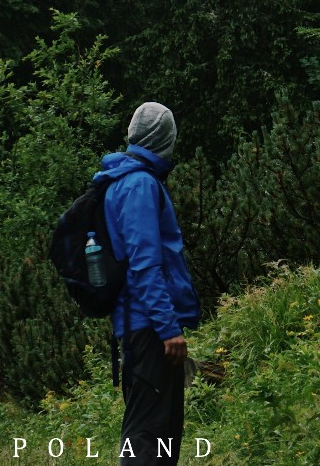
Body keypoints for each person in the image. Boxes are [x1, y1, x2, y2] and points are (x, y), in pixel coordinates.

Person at [95, 101, 200, 463]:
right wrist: (168, 328)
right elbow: (145, 265)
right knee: (146, 440)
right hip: (148, 329)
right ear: (163, 138)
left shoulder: (127, 181)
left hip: (142, 326)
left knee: (161, 440)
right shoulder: (139, 184)